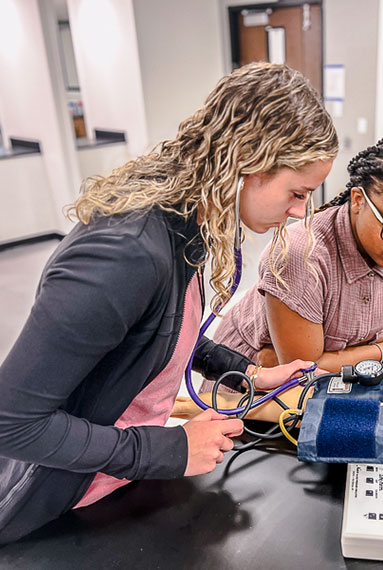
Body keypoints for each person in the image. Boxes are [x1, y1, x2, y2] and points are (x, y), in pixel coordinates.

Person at [0, 62, 338, 544]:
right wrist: (170, 449)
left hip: (116, 476)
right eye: (298, 192)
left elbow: (162, 328)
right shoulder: (125, 253)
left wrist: (245, 372)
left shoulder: (189, 217)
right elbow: (13, 423)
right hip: (57, 499)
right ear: (247, 160)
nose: (301, 210)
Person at [204, 130, 383, 373]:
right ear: (358, 201)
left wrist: (329, 359)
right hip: (246, 381)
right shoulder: (299, 256)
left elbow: (380, 337)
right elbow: (302, 370)